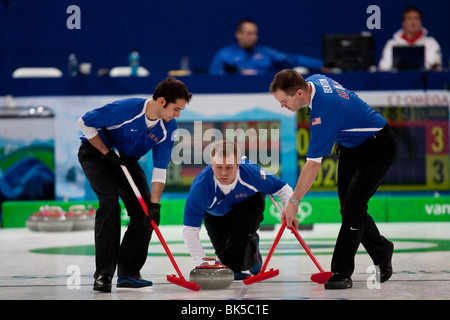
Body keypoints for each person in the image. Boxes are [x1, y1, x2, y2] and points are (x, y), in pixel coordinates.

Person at [269, 69, 397, 289]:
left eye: (284, 101)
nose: (282, 106)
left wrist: (293, 203)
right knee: (348, 209)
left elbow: (312, 166)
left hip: (378, 147)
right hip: (351, 146)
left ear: (299, 93)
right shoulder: (314, 81)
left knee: (353, 208)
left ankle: (341, 272)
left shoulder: (324, 111)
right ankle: (381, 249)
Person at [77, 78, 192, 292]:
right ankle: (103, 274)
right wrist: (106, 153)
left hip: (126, 160)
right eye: (176, 109)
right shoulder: (126, 108)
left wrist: (155, 205)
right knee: (110, 202)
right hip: (95, 153)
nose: (177, 115)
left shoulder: (168, 127)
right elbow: (84, 122)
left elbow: (159, 169)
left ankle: (129, 272)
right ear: (161, 100)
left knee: (145, 213)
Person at [183, 140, 293, 279]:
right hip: (216, 215)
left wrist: (289, 209)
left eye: (229, 167)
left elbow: (283, 188)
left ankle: (234, 266)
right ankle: (251, 247)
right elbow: (189, 230)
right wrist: (201, 263)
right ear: (212, 165)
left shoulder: (253, 173)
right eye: (218, 167)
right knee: (229, 256)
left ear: (237, 166)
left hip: (247, 208)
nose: (223, 173)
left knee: (230, 263)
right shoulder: (200, 188)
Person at [209, 19, 323, 75]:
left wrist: (322, 65)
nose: (254, 37)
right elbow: (213, 78)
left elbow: (293, 59)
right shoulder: (223, 54)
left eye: (255, 33)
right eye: (249, 34)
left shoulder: (266, 52)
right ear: (238, 35)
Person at [378, 6, 442, 71]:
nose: (413, 22)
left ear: (421, 22)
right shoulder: (391, 44)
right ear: (403, 23)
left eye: (416, 18)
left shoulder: (431, 43)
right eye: (409, 18)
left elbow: (435, 67)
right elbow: (384, 67)